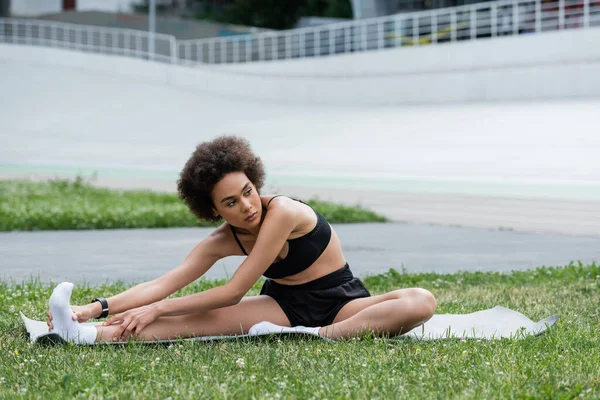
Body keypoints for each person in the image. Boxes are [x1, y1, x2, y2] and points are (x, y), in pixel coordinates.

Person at [47, 136, 436, 344]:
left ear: (255, 180)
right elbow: (163, 283)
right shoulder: (222, 239)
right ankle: (80, 334)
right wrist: (93, 308)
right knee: (184, 323)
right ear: (214, 210)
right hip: (282, 307)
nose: (247, 206)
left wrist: (160, 307)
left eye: (248, 191)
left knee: (421, 301)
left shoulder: (282, 211)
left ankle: (316, 338)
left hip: (343, 305)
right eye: (231, 202)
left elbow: (234, 291)